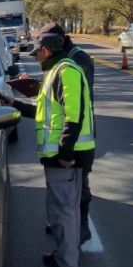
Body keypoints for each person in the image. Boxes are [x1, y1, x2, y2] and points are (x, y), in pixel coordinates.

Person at [1, 23, 95, 267]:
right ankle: (64, 255)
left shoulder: (66, 72)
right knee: (64, 209)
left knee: (65, 210)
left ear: (46, 50)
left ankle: (67, 265)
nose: (36, 56)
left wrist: (65, 154)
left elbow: (73, 116)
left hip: (67, 157)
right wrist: (16, 104)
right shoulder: (56, 72)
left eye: (37, 52)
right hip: (61, 156)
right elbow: (44, 113)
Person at [47, 23, 96, 243]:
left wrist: (66, 151)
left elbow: (74, 104)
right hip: (66, 133)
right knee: (68, 189)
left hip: (78, 137)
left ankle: (82, 228)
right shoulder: (62, 60)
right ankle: (67, 225)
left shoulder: (77, 59)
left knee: (80, 187)